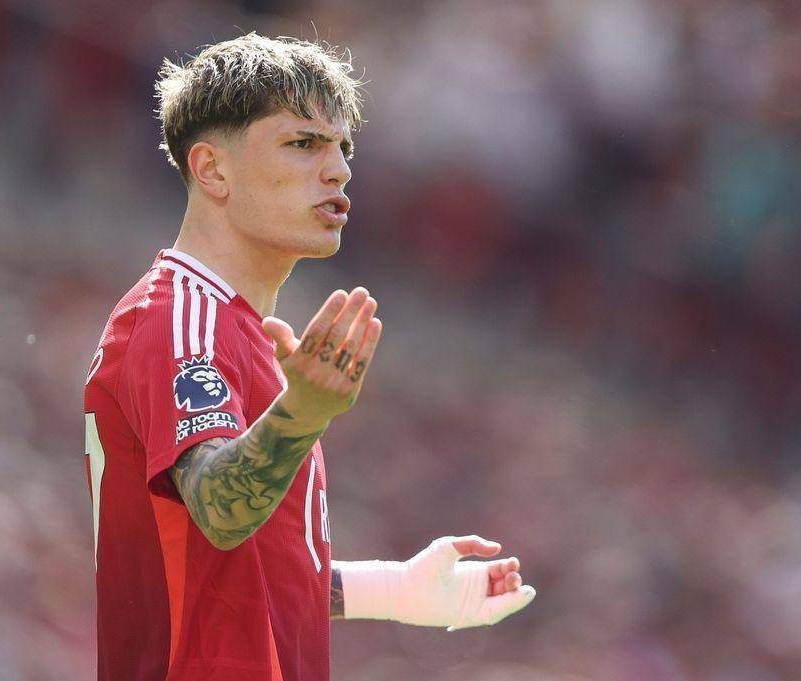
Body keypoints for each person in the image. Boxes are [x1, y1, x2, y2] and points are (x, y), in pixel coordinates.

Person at [83, 32, 536, 681]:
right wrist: (303, 413)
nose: (339, 170)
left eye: (343, 148)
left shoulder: (240, 333)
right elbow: (219, 509)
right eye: (304, 143)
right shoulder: (179, 317)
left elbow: (229, 575)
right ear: (212, 169)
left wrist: (394, 589)